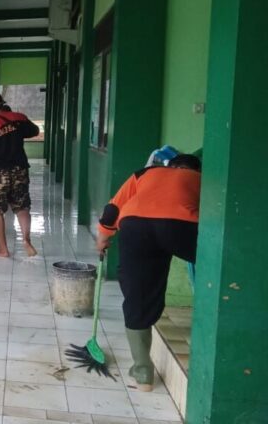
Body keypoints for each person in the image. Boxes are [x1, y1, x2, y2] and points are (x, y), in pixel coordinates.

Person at [96, 154, 202, 391]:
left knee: (138, 295)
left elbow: (113, 208)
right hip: (182, 226)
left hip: (136, 225)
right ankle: (206, 335)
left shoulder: (145, 173)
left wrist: (103, 238)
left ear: (169, 165)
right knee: (215, 272)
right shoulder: (201, 178)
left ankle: (143, 371)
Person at [0, 91, 40, 258]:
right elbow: (34, 131)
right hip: (20, 170)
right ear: (2, 104)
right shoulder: (19, 118)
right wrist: (15, 133)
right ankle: (26, 240)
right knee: (22, 206)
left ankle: (3, 249)